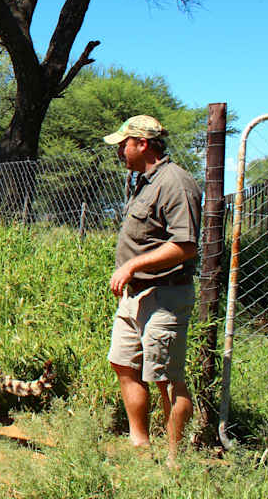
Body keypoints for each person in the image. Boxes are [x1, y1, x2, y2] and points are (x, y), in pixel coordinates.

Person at [103, 115, 201, 467]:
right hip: (135, 296)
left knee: (166, 379)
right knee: (124, 364)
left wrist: (132, 266)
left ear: (142, 144)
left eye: (123, 144)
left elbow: (185, 246)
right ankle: (140, 445)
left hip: (165, 296)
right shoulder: (143, 181)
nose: (119, 150)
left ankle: (175, 461)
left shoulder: (176, 183)